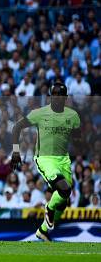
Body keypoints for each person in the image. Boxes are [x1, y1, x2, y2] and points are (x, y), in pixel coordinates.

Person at [11, 81, 81, 242]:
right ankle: (48, 208)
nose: (56, 97)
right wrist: (15, 151)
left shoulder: (73, 116)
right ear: (50, 97)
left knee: (64, 200)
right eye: (53, 94)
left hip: (63, 159)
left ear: (65, 97)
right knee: (63, 188)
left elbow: (77, 138)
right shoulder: (40, 113)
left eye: (60, 95)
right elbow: (16, 127)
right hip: (45, 158)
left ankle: (42, 230)